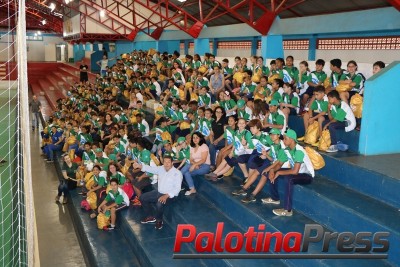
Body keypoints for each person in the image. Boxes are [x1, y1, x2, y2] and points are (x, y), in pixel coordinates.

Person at [263, 129, 314, 216]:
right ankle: (275, 198)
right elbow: (279, 164)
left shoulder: (299, 151)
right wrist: (272, 170)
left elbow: (295, 171)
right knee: (271, 173)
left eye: (285, 139)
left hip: (306, 176)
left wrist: (278, 173)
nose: (283, 140)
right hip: (297, 172)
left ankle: (287, 210)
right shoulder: (287, 149)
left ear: (292, 140)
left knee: (288, 179)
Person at [133, 156, 182, 230]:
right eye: (165, 162)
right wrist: (139, 166)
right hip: (159, 192)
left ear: (172, 163)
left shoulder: (177, 173)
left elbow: (177, 189)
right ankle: (150, 216)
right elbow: (151, 169)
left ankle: (159, 220)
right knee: (142, 197)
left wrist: (166, 195)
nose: (166, 164)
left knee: (159, 203)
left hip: (170, 195)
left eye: (168, 162)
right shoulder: (161, 168)